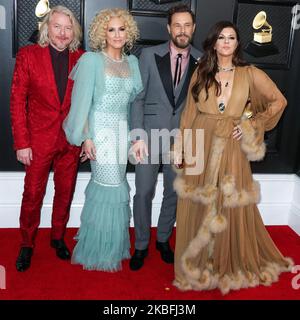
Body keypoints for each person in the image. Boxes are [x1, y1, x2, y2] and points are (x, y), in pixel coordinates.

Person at [173, 21, 294, 294]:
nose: (226, 42)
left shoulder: (250, 73)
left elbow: (279, 101)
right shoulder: (201, 72)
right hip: (201, 141)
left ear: (238, 43)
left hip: (230, 143)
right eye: (221, 37)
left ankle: (225, 259)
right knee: (200, 201)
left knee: (228, 200)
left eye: (232, 37)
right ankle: (201, 258)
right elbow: (188, 115)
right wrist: (181, 149)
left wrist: (251, 123)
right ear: (213, 43)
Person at [63, 8, 142, 271]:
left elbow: (132, 106)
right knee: (107, 187)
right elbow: (82, 103)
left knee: (118, 186)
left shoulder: (132, 63)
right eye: (111, 30)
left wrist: (133, 137)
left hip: (121, 133)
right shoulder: (91, 61)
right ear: (102, 33)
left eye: (121, 29)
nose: (117, 34)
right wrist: (86, 137)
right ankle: (98, 250)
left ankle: (113, 245)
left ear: (128, 31)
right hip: (99, 131)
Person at [10, 6, 84, 272]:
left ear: (74, 30)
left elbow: (88, 103)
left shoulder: (82, 58)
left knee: (65, 193)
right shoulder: (28, 55)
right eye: (57, 26)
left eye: (68, 27)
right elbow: (17, 100)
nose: (63, 33)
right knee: (32, 194)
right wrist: (22, 142)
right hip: (38, 140)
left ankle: (57, 237)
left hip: (71, 141)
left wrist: (85, 137)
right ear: (47, 28)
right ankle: (27, 244)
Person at [129, 4, 201, 271]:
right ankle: (141, 244)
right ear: (169, 28)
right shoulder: (148, 55)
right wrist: (137, 137)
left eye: (187, 25)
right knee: (144, 192)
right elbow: (137, 99)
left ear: (193, 28)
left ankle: (162, 240)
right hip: (148, 137)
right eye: (177, 25)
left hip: (181, 142)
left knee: (173, 192)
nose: (182, 30)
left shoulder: (201, 59)